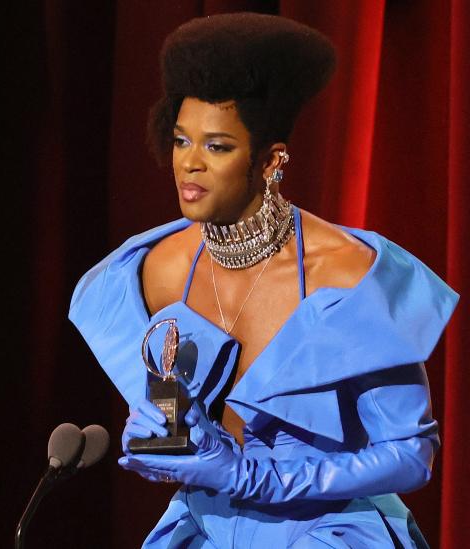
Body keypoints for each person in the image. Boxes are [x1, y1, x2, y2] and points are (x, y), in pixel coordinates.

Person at [69, 13, 456, 548]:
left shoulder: (346, 273)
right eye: (182, 141)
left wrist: (254, 478)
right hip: (203, 528)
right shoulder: (158, 268)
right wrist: (162, 445)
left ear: (271, 160)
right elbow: (175, 420)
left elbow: (411, 456)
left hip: (328, 530)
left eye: (218, 146)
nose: (190, 165)